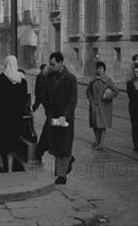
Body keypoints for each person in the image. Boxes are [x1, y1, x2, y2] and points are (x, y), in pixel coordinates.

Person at [0, 56, 28, 173]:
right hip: (14, 119)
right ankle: (9, 168)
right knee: (11, 144)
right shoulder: (21, 81)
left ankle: (0, 163)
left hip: (0, 118)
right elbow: (24, 100)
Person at [45, 52, 77, 185]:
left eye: (53, 64)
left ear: (60, 62)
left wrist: (65, 115)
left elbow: (72, 100)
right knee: (56, 145)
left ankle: (61, 176)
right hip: (53, 115)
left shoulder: (70, 78)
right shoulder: (50, 76)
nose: (51, 67)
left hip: (65, 118)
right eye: (50, 64)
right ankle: (65, 164)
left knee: (64, 145)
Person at [86, 61, 118, 151]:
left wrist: (108, 96)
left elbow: (116, 91)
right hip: (94, 105)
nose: (99, 70)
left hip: (104, 106)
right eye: (98, 68)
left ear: (104, 70)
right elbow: (88, 91)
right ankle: (96, 140)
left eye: (101, 68)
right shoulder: (93, 80)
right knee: (94, 124)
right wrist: (91, 100)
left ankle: (101, 143)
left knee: (102, 124)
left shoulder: (108, 80)